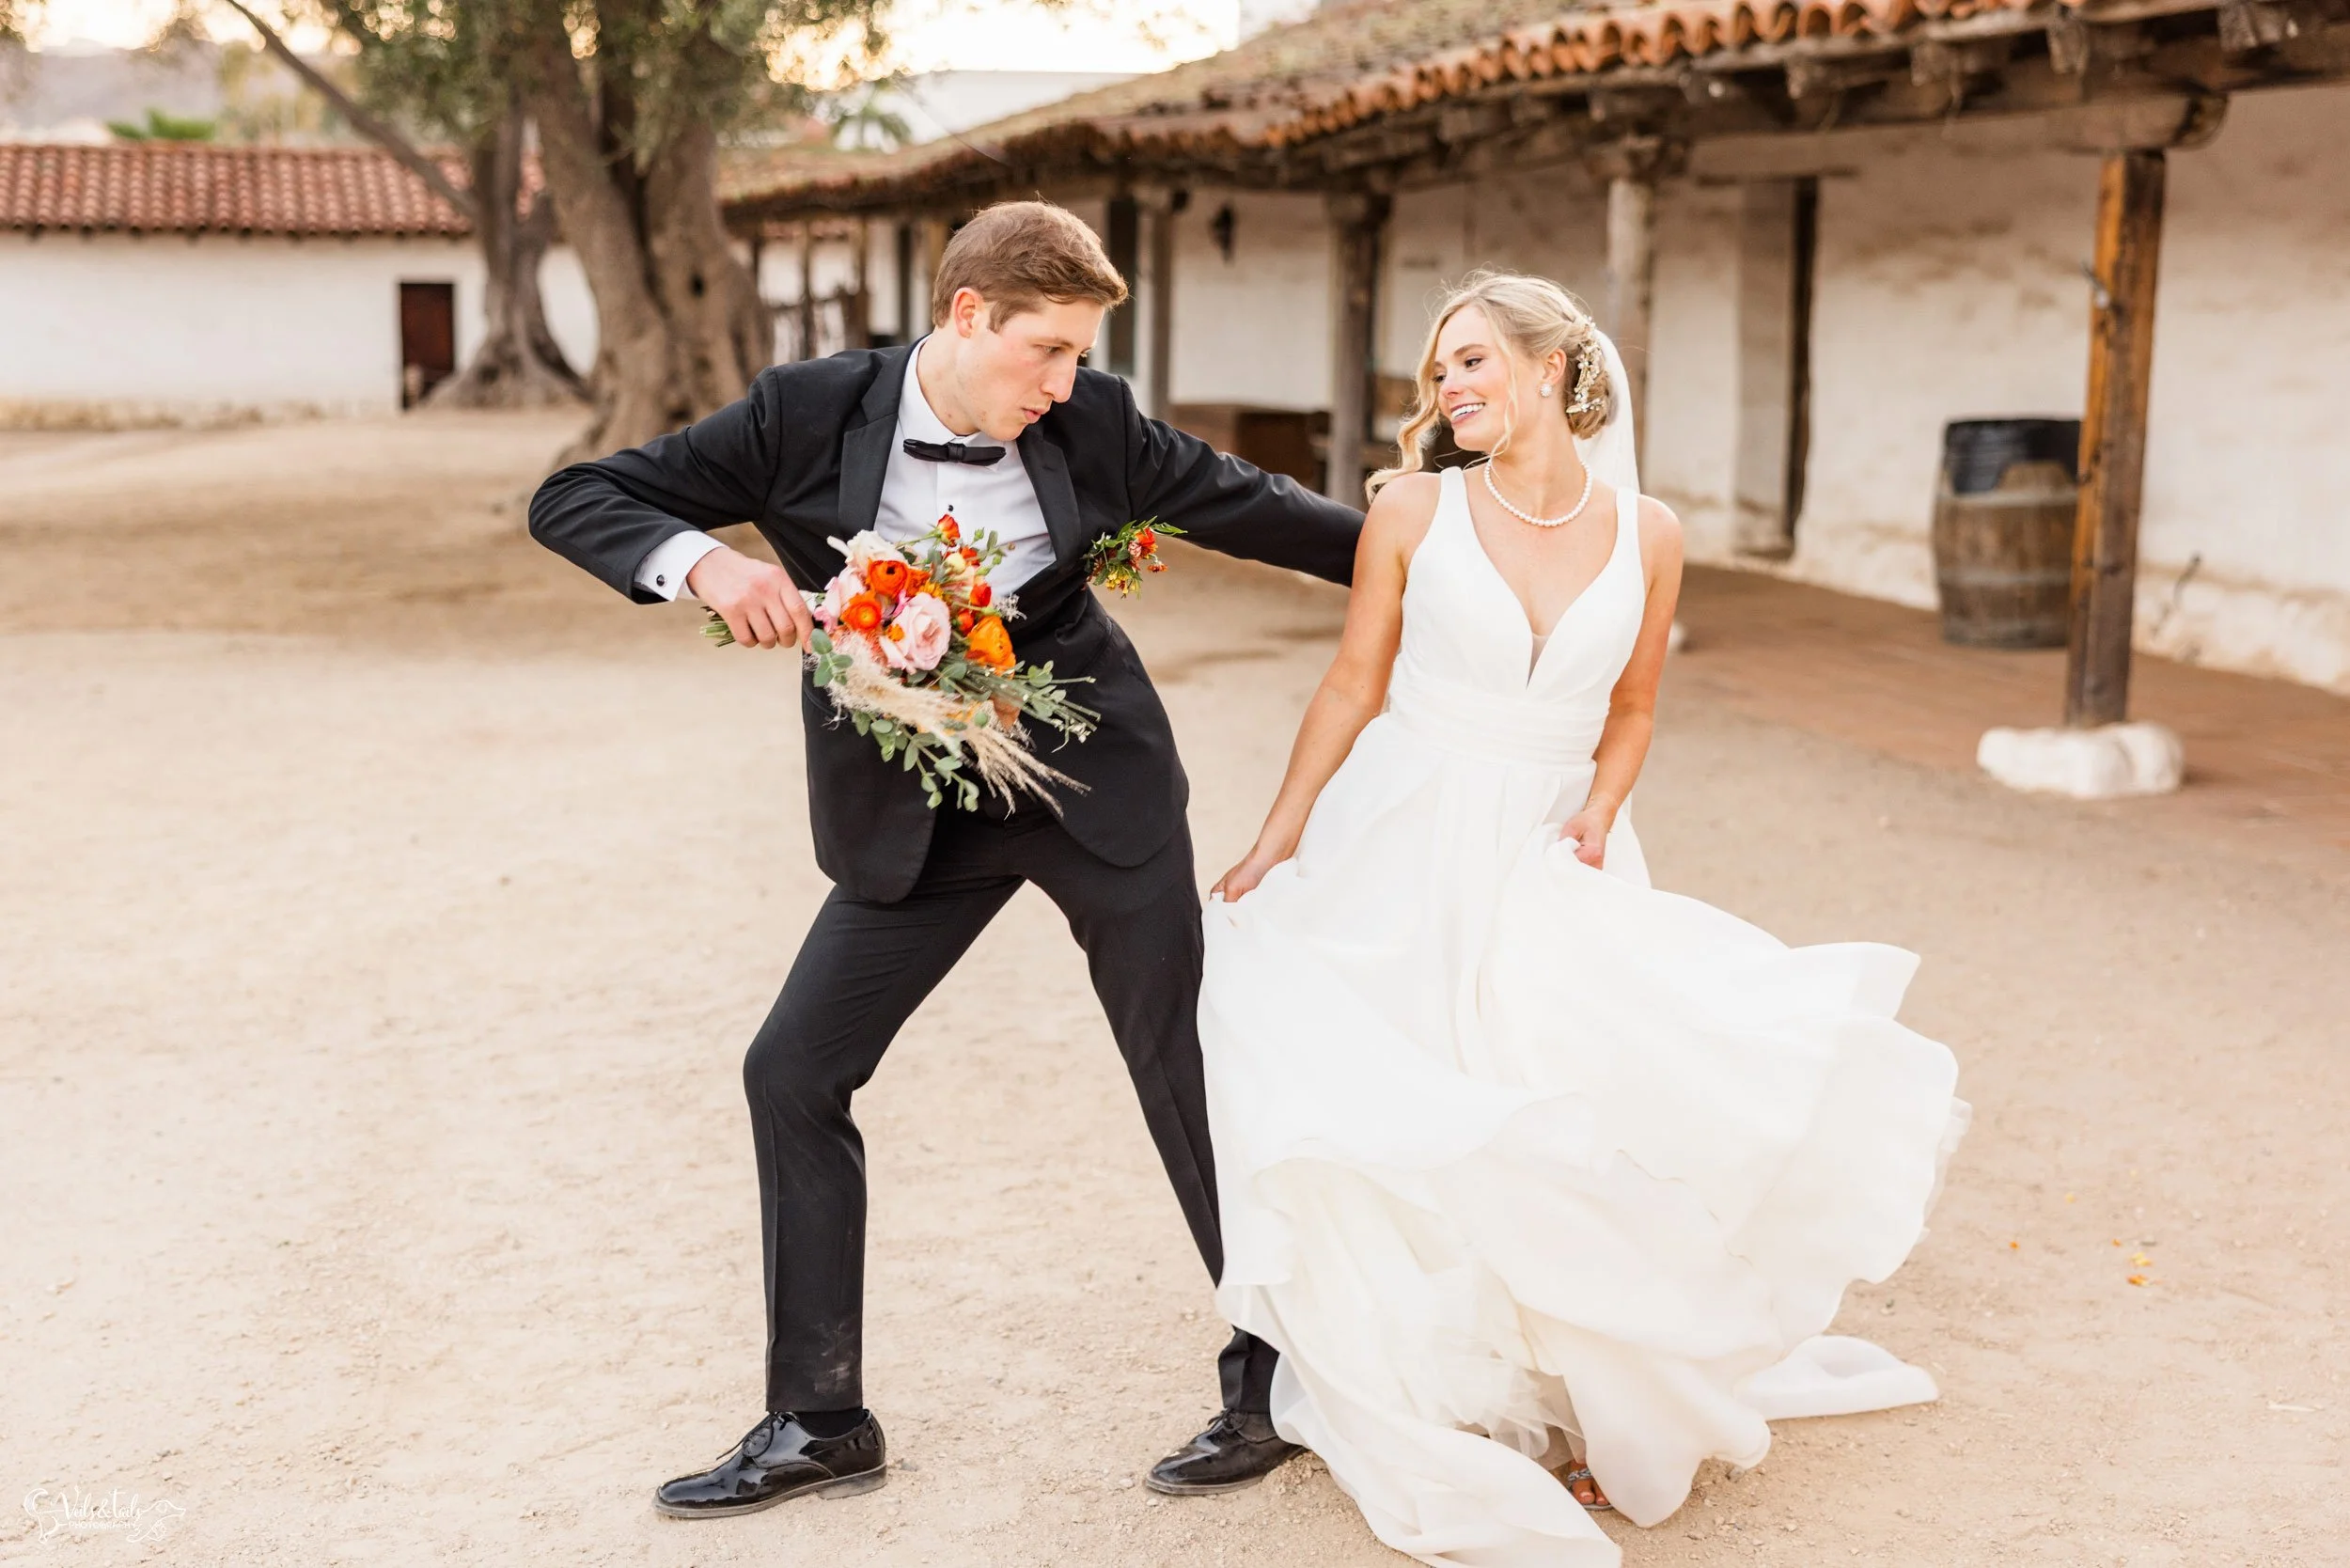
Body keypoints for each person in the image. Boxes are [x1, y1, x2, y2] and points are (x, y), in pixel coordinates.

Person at [526, 201, 1361, 1517]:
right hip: (919, 810)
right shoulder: (806, 413)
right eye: (1047, 351)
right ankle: (818, 1417)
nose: (1065, 383)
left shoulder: (1094, 424)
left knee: (1188, 1071)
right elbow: (579, 494)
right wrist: (703, 569)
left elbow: (1263, 512)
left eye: (1081, 356)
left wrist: (1467, 556)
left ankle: (1275, 1382)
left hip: (1097, 787)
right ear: (967, 315)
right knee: (792, 1070)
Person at [1197, 270, 1969, 1567]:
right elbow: (1350, 682)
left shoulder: (1649, 531)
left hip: (1557, 842)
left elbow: (1635, 708)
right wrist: (1282, 831)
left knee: (1566, 1103)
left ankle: (1572, 1392)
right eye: (1439, 371)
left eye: (1474, 363)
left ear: (1554, 370)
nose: (1449, 389)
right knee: (1438, 1097)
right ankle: (1466, 1393)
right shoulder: (1411, 509)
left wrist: (1604, 810)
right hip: (1412, 825)